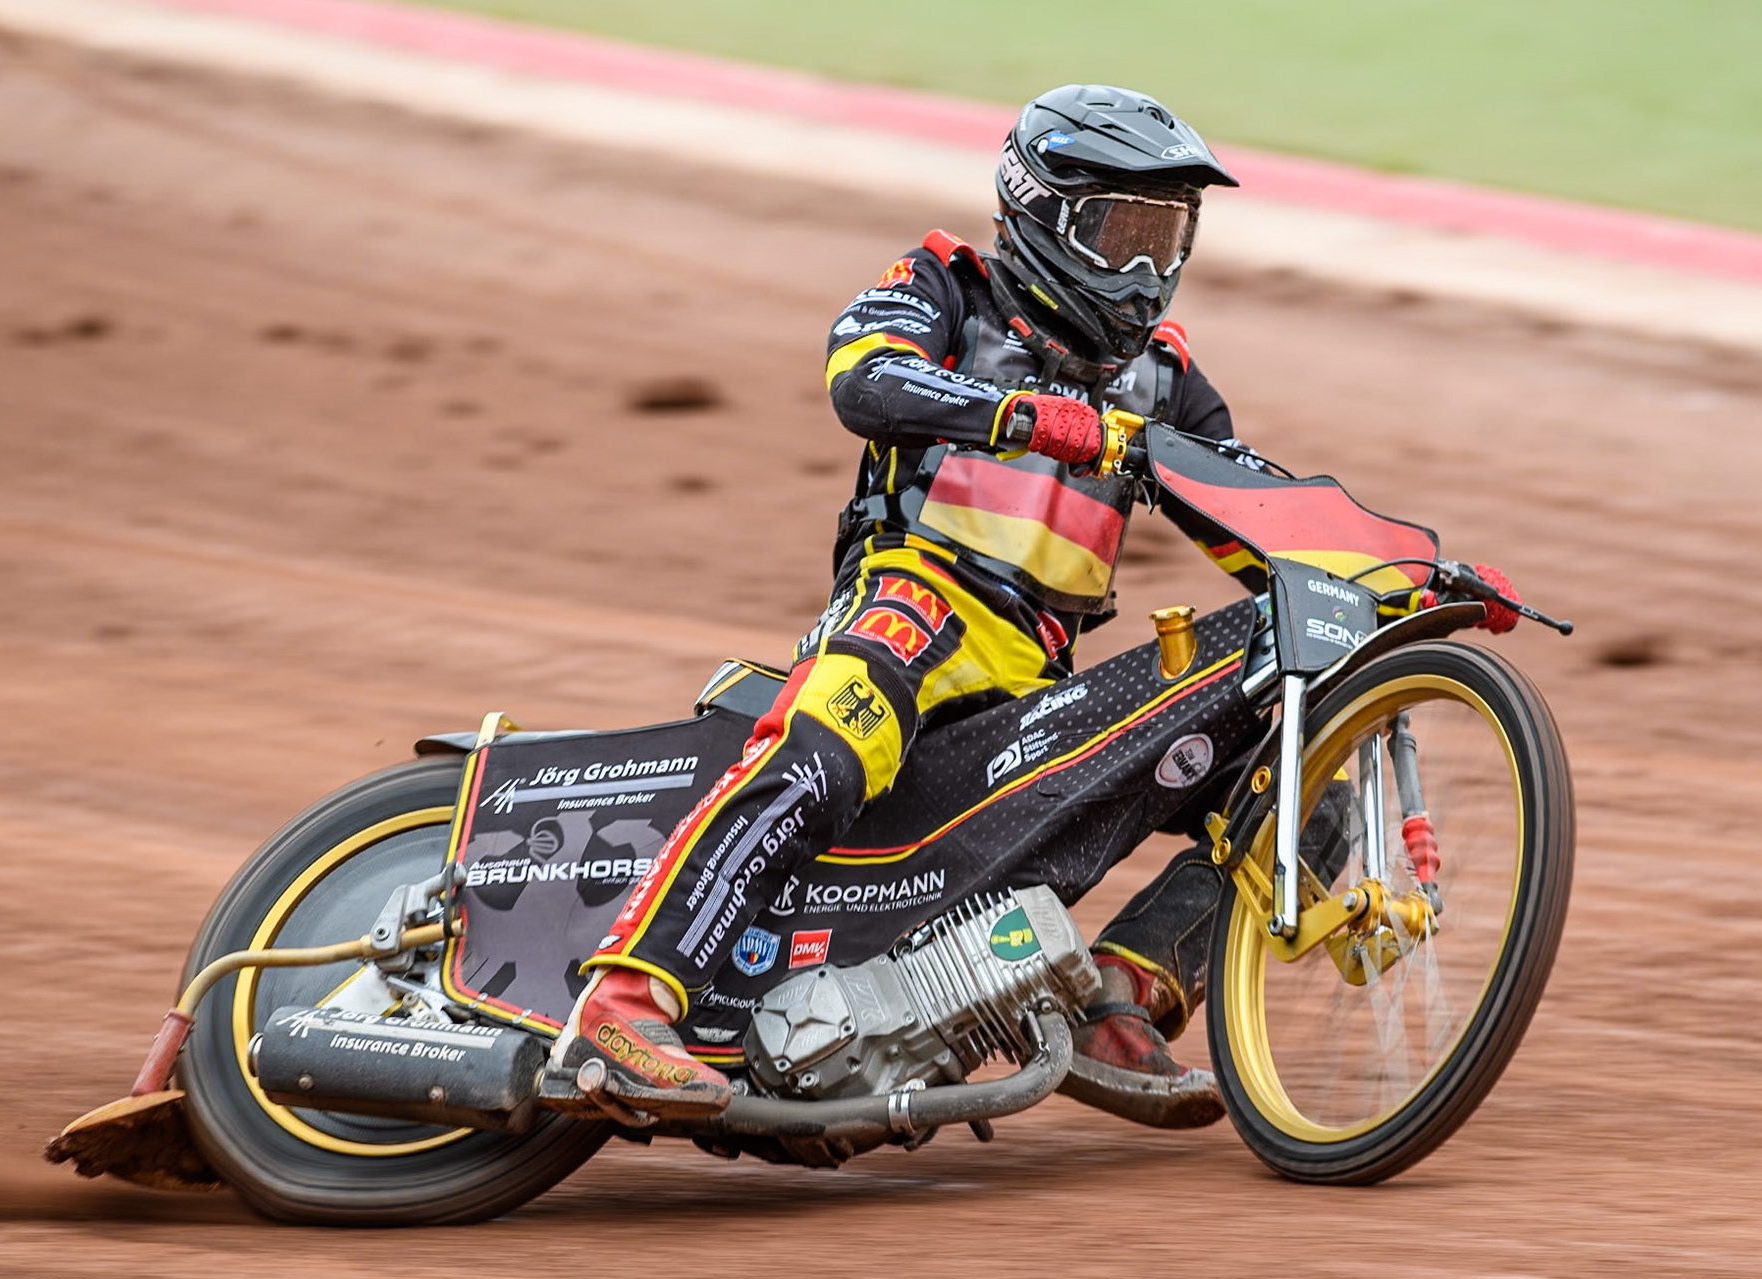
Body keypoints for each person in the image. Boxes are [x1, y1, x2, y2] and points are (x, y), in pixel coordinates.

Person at [547, 85, 1302, 1123]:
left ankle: (1124, 992)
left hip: (1037, 678)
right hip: (915, 603)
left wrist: (1403, 579)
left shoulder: (1162, 378)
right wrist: (1030, 417)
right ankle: (623, 1003)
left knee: (1304, 773)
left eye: (1166, 236)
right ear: (1043, 209)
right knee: (826, 746)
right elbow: (865, 379)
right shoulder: (946, 284)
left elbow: (1262, 517)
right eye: (1124, 232)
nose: (1145, 269)